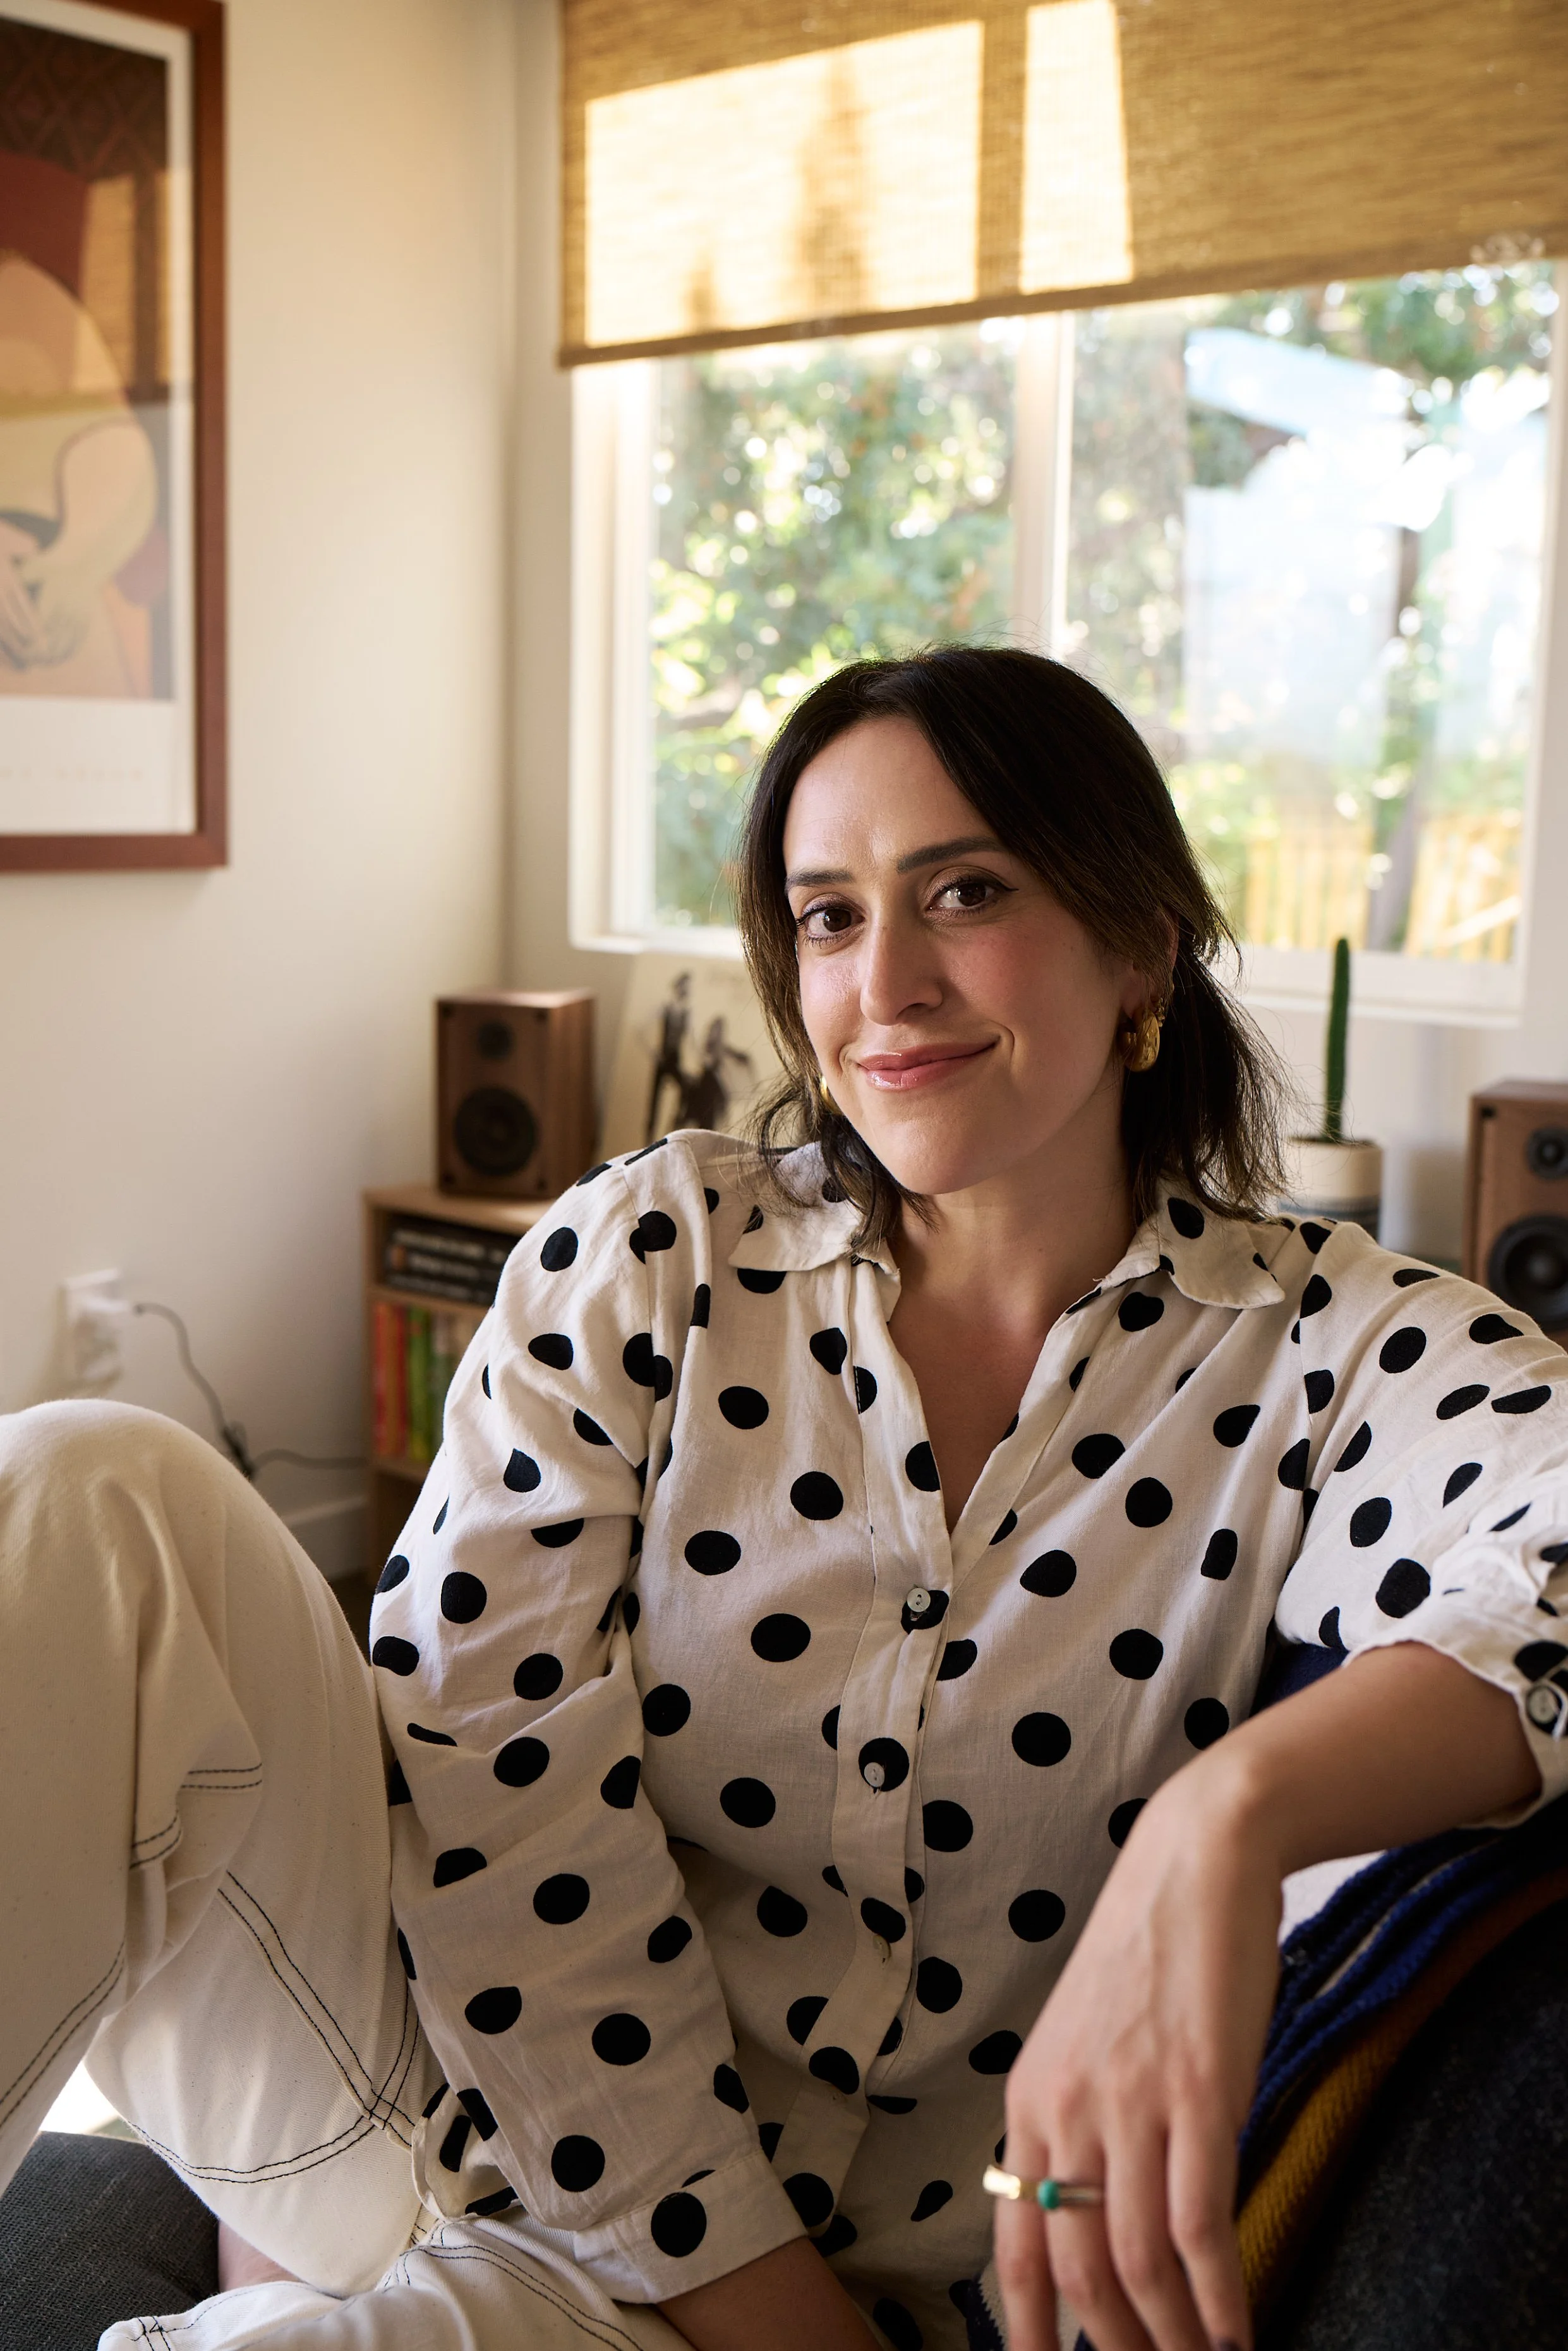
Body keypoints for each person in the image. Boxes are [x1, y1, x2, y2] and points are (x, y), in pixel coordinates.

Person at [2, 646, 1565, 2351]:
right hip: (431, 2102)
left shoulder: (1322, 1352)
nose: (883, 982)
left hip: (713, 2302)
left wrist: (1228, 1818)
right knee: (90, 1487)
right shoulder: (656, 1251)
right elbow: (490, 1785)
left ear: (1141, 942)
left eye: (963, 892)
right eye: (828, 916)